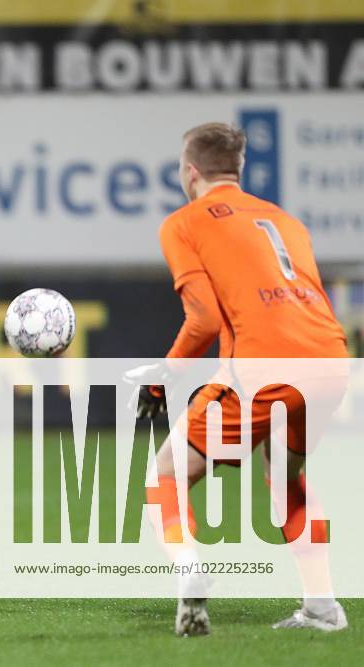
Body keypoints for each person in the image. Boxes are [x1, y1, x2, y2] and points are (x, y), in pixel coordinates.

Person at [136, 123, 349, 635]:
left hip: (264, 367)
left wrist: (165, 375)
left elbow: (204, 320)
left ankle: (188, 568)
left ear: (190, 172)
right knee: (285, 476)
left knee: (164, 476)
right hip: (330, 359)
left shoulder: (183, 223)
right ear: (239, 167)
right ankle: (322, 607)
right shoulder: (287, 221)